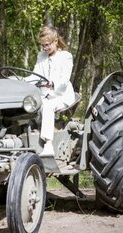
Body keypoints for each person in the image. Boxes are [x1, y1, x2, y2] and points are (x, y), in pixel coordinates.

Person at [25, 26, 75, 156]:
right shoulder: (41, 56)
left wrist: (52, 84)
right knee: (28, 103)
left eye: (47, 45)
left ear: (55, 42)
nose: (45, 48)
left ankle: (48, 145)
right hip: (45, 94)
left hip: (61, 95)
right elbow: (35, 75)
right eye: (43, 46)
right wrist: (21, 80)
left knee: (47, 106)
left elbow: (65, 79)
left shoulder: (66, 56)